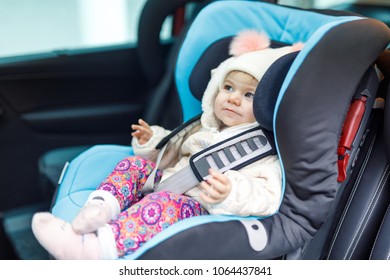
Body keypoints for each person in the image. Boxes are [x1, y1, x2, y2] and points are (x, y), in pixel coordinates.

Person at [31, 30, 300, 259]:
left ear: (269, 104)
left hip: (200, 210)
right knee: (134, 165)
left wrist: (229, 191)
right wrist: (153, 141)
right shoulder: (205, 126)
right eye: (228, 88)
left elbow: (267, 196)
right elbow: (172, 153)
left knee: (162, 203)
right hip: (166, 186)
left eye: (249, 94)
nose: (232, 99)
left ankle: (92, 249)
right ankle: (99, 210)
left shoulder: (264, 152)